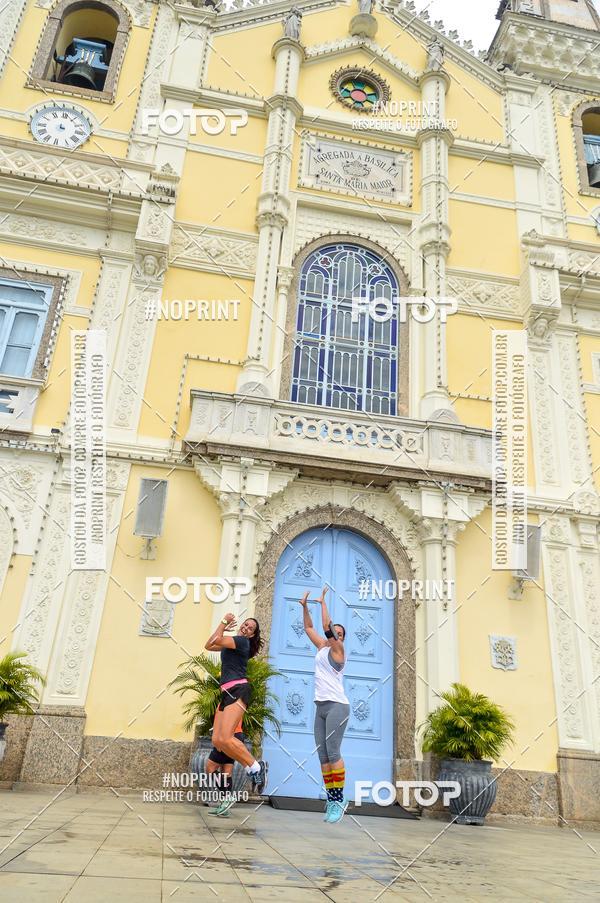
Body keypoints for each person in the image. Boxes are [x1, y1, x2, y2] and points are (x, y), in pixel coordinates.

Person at [299, 587, 350, 823]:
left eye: (338, 633)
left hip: (337, 706)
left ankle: (339, 800)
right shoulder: (322, 647)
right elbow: (309, 628)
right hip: (320, 706)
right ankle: (332, 799)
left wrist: (322, 604)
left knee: (334, 752)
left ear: (341, 638)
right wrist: (304, 607)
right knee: (323, 757)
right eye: (334, 633)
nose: (334, 635)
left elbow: (327, 626)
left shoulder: (338, 651)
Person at [204, 612, 268, 794]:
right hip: (226, 693)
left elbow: (216, 638)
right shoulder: (233, 643)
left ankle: (256, 767)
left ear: (252, 635)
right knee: (218, 739)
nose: (246, 627)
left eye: (250, 628)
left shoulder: (241, 642)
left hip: (238, 689)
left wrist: (223, 622)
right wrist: (223, 628)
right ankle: (229, 788)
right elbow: (209, 645)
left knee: (226, 738)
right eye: (245, 624)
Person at [205, 716, 247, 817]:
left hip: (227, 735)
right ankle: (224, 808)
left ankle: (227, 797)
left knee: (210, 768)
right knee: (226, 772)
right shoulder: (236, 700)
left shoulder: (228, 700)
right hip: (236, 735)